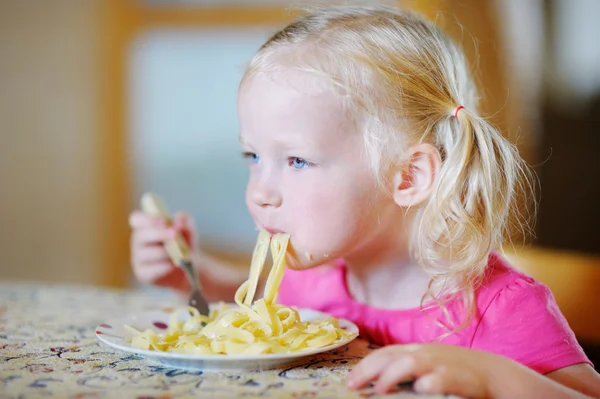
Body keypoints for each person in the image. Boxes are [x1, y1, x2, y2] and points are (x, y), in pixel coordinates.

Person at [129, 5, 600, 398]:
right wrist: (191, 273)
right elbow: (249, 303)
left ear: (408, 176)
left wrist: (493, 376)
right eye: (253, 155)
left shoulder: (498, 307)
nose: (259, 192)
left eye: (296, 161)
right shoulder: (317, 278)